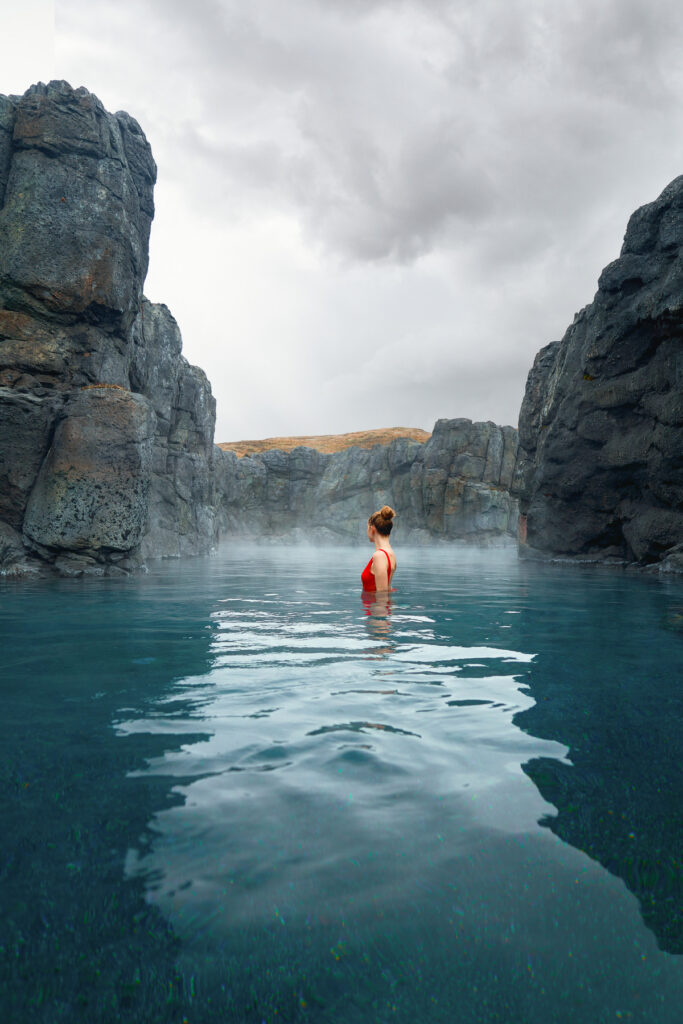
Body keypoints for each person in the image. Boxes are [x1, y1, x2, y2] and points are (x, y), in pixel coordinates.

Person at [361, 505, 397, 592]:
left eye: (367, 528)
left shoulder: (379, 556)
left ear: (372, 529)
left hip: (376, 605)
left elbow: (382, 596)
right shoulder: (390, 553)